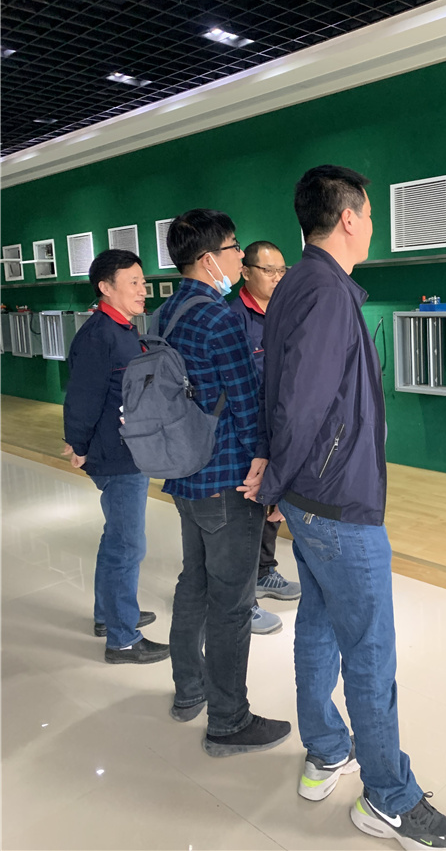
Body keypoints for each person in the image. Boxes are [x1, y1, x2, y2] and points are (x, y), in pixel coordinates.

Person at [240, 166, 446, 850]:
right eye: (368, 214)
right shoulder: (327, 293)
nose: (371, 225)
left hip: (313, 498)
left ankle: (326, 748)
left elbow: (278, 388)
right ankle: (389, 798)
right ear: (348, 218)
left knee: (319, 624)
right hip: (338, 502)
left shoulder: (296, 285)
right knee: (369, 649)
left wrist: (278, 476)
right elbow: (302, 403)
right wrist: (276, 480)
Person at [159, 208, 291, 757]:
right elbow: (245, 398)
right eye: (235, 248)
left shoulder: (166, 312)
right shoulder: (219, 317)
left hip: (184, 473)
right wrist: (268, 466)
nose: (240, 257)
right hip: (227, 480)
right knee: (232, 603)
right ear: (209, 258)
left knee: (194, 582)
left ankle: (188, 690)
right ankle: (228, 722)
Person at [63, 249, 169, 664]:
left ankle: (109, 615)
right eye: (133, 283)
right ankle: (123, 640)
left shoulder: (123, 329)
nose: (143, 291)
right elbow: (82, 398)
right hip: (117, 455)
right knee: (127, 545)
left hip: (130, 448)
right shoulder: (99, 336)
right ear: (106, 287)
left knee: (116, 540)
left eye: (143, 282)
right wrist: (78, 445)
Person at [231, 240, 301, 635]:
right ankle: (244, 598)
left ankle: (264, 571)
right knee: (248, 513)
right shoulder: (234, 318)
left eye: (281, 271)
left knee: (273, 504)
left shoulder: (286, 311)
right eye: (268, 271)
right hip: (246, 433)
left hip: (278, 425)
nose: (277, 278)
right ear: (246, 272)